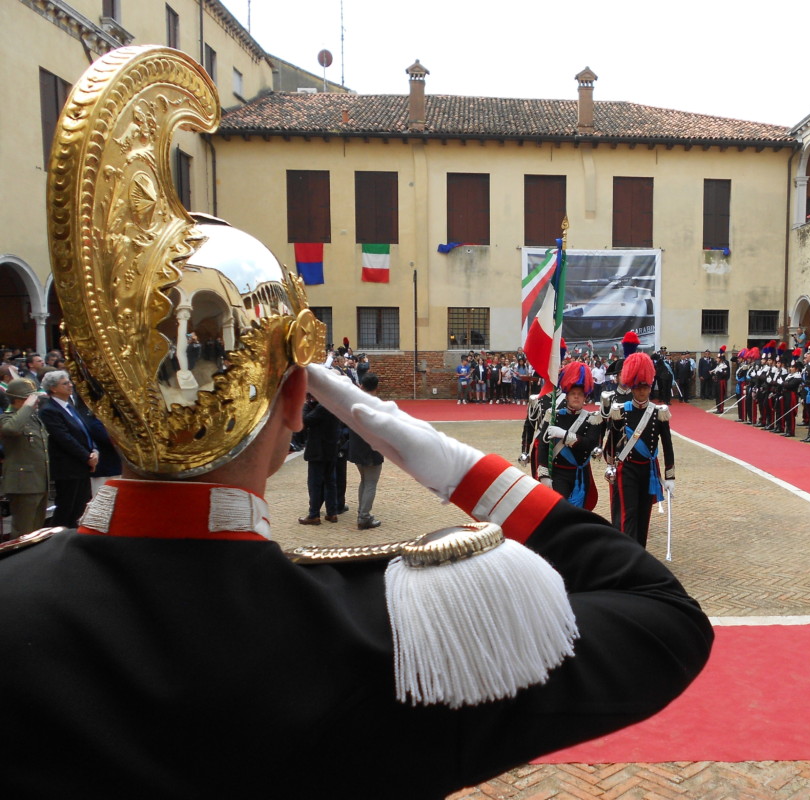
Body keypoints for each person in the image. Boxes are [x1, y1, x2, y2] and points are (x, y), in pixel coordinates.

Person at [0, 46, 711, 797]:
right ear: (296, 398)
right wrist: (446, 460)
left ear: (95, 389)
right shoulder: (399, 637)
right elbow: (662, 618)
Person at [604, 352, 675, 548]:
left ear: (650, 388)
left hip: (649, 471)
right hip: (627, 469)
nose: (642, 392)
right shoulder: (621, 410)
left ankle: (640, 553)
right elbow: (611, 442)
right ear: (632, 387)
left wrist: (669, 476)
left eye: (645, 387)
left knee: (644, 515)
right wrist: (610, 463)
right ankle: (629, 555)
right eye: (638, 387)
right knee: (629, 514)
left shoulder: (658, 412)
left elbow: (667, 445)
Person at [536, 362, 602, 510]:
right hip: (559, 473)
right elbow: (543, 446)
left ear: (585, 397)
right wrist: (544, 474)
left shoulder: (592, 418)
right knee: (559, 511)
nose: (576, 397)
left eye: (580, 394)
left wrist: (564, 435)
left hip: (580, 474)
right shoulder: (553, 416)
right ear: (567, 396)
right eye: (573, 394)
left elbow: (589, 444)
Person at [37, 370, 97, 527]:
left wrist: (94, 451)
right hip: (68, 466)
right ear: (53, 388)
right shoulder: (49, 410)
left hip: (82, 464)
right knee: (67, 508)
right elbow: (64, 438)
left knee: (81, 506)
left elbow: (85, 431)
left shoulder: (69, 406)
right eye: (65, 383)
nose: (70, 385)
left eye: (69, 382)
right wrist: (86, 457)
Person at [0, 378, 49, 538]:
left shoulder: (33, 419)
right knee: (23, 531)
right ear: (19, 400)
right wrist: (27, 406)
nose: (36, 402)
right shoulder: (7, 418)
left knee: (36, 530)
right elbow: (12, 428)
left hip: (39, 481)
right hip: (23, 484)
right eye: (31, 399)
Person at [346, 372, 385, 529]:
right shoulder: (376, 405)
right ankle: (364, 516)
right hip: (371, 448)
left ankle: (362, 512)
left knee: (364, 480)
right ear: (377, 387)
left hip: (357, 446)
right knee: (370, 483)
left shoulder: (354, 403)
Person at [299, 393, 341, 525]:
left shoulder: (321, 407)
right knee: (330, 483)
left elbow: (305, 420)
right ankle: (332, 512)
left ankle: (314, 515)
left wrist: (306, 406)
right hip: (331, 449)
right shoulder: (334, 404)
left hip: (318, 451)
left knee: (315, 483)